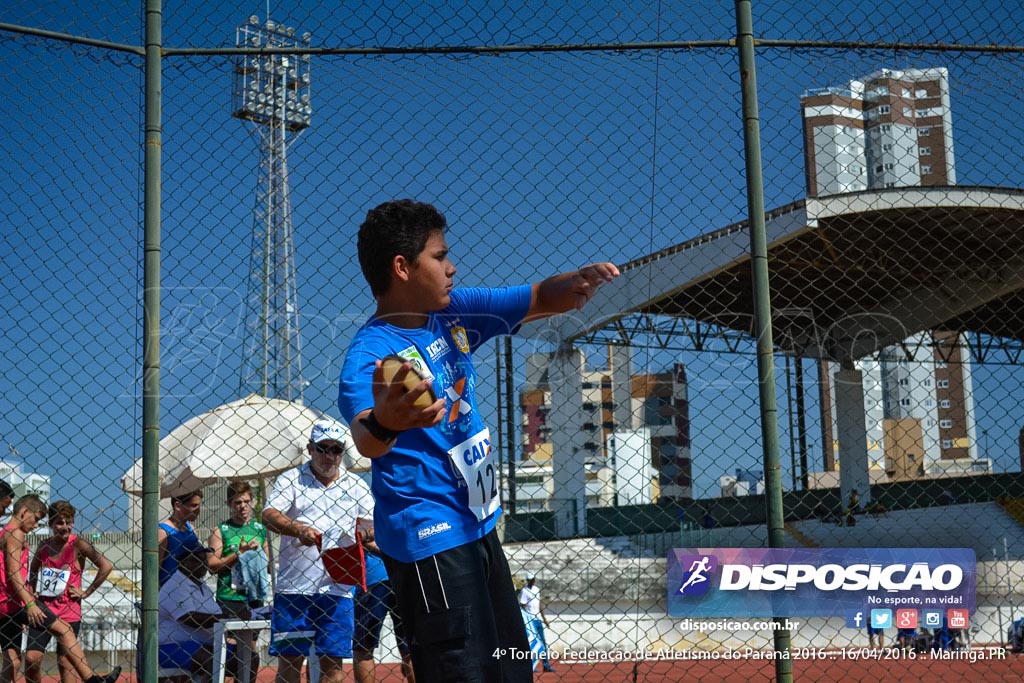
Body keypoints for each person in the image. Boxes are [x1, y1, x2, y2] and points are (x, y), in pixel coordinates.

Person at [339, 198, 619, 682]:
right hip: (430, 540)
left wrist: (575, 283)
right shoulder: (370, 355)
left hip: (479, 529)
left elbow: (536, 297)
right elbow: (366, 439)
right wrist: (387, 420)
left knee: (513, 670)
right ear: (402, 267)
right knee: (464, 674)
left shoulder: (453, 313)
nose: (452, 267)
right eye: (439, 256)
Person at [261, 418, 374, 683]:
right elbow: (268, 513)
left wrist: (356, 536)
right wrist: (297, 529)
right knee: (289, 665)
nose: (329, 456)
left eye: (336, 449)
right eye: (323, 448)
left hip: (338, 589)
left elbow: (373, 526)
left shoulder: (355, 485)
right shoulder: (292, 479)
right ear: (310, 448)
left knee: (333, 667)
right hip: (294, 589)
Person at [0, 495, 120, 683]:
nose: (35, 525)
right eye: (58, 523)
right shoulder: (27, 538)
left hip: (61, 609)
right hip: (26, 605)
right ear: (25, 513)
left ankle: (91, 680)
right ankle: (92, 680)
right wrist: (31, 598)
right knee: (31, 658)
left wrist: (86, 592)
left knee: (56, 663)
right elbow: (20, 573)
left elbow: (106, 565)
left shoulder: (78, 543)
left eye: (69, 522)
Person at [157, 540, 257, 683]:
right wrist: (229, 617)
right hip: (172, 647)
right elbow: (190, 618)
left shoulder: (202, 585)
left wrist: (231, 619)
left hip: (207, 644)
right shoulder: (176, 585)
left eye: (204, 559)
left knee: (249, 658)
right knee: (212, 658)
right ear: (182, 563)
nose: (203, 563)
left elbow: (213, 615)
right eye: (196, 560)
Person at [353, 545, 413, 683]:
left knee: (363, 647)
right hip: (401, 571)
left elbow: (358, 535)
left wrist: (371, 538)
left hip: (374, 575)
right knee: (410, 647)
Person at [158, 491, 203, 586]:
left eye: (199, 506)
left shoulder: (192, 530)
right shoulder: (163, 532)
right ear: (178, 505)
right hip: (169, 587)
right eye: (193, 505)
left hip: (191, 586)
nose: (198, 510)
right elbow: (155, 568)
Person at [518, 574, 554, 673]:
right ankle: (532, 665)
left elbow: (539, 605)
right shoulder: (525, 591)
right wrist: (526, 618)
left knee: (542, 642)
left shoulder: (536, 589)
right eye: (529, 580)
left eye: (532, 579)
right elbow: (522, 605)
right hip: (530, 620)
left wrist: (544, 618)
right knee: (533, 642)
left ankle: (546, 665)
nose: (531, 581)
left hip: (537, 619)